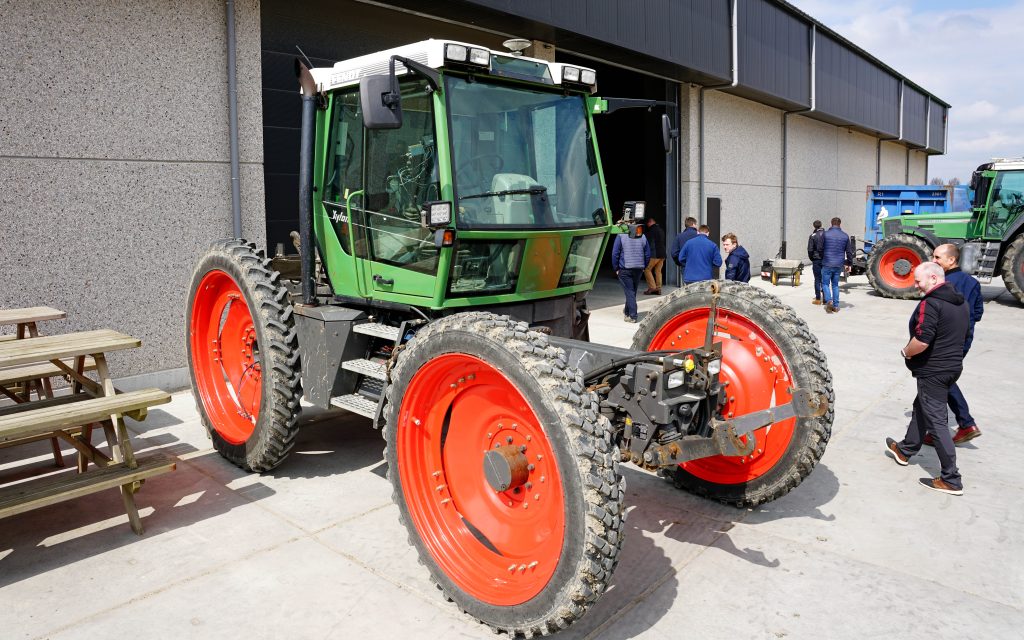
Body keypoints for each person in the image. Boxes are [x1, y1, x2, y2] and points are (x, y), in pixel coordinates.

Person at [885, 262, 969, 496]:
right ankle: (905, 450)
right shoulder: (961, 302)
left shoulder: (931, 303)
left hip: (933, 371)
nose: (916, 285)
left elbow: (922, 340)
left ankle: (951, 478)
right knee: (920, 407)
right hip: (952, 367)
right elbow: (966, 334)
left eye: (919, 281)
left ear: (933, 278)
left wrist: (906, 351)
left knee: (937, 422)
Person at [925, 243, 983, 446]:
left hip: (943, 341)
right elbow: (978, 314)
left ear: (952, 260)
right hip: (964, 339)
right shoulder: (972, 283)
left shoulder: (941, 284)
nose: (933, 261)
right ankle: (941, 429)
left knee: (936, 383)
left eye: (938, 257)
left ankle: (964, 424)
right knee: (941, 381)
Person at [816, 217, 853, 313]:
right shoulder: (845, 236)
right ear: (840, 224)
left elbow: (819, 248)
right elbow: (849, 252)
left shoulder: (825, 234)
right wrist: (849, 263)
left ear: (831, 223)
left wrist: (822, 257)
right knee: (835, 285)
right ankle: (836, 306)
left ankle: (829, 300)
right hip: (838, 264)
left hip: (827, 263)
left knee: (825, 284)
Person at [612, 231, 650, 323]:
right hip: (638, 269)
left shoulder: (621, 235)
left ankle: (633, 316)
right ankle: (627, 311)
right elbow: (648, 254)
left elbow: (615, 253)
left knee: (630, 292)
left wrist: (616, 268)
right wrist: (644, 266)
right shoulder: (643, 236)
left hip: (625, 269)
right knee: (632, 291)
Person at [643, 216, 666, 295]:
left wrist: (648, 253)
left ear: (650, 222)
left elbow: (650, 243)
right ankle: (658, 288)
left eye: (648, 223)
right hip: (662, 254)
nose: (647, 225)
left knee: (647, 269)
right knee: (658, 271)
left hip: (655, 254)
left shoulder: (652, 230)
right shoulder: (660, 229)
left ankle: (652, 288)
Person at [807, 220, 825, 304]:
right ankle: (825, 298)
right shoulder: (826, 234)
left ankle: (818, 299)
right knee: (825, 279)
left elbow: (810, 249)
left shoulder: (813, 236)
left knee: (817, 279)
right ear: (821, 225)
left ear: (814, 226)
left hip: (816, 259)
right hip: (825, 260)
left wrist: (812, 258)